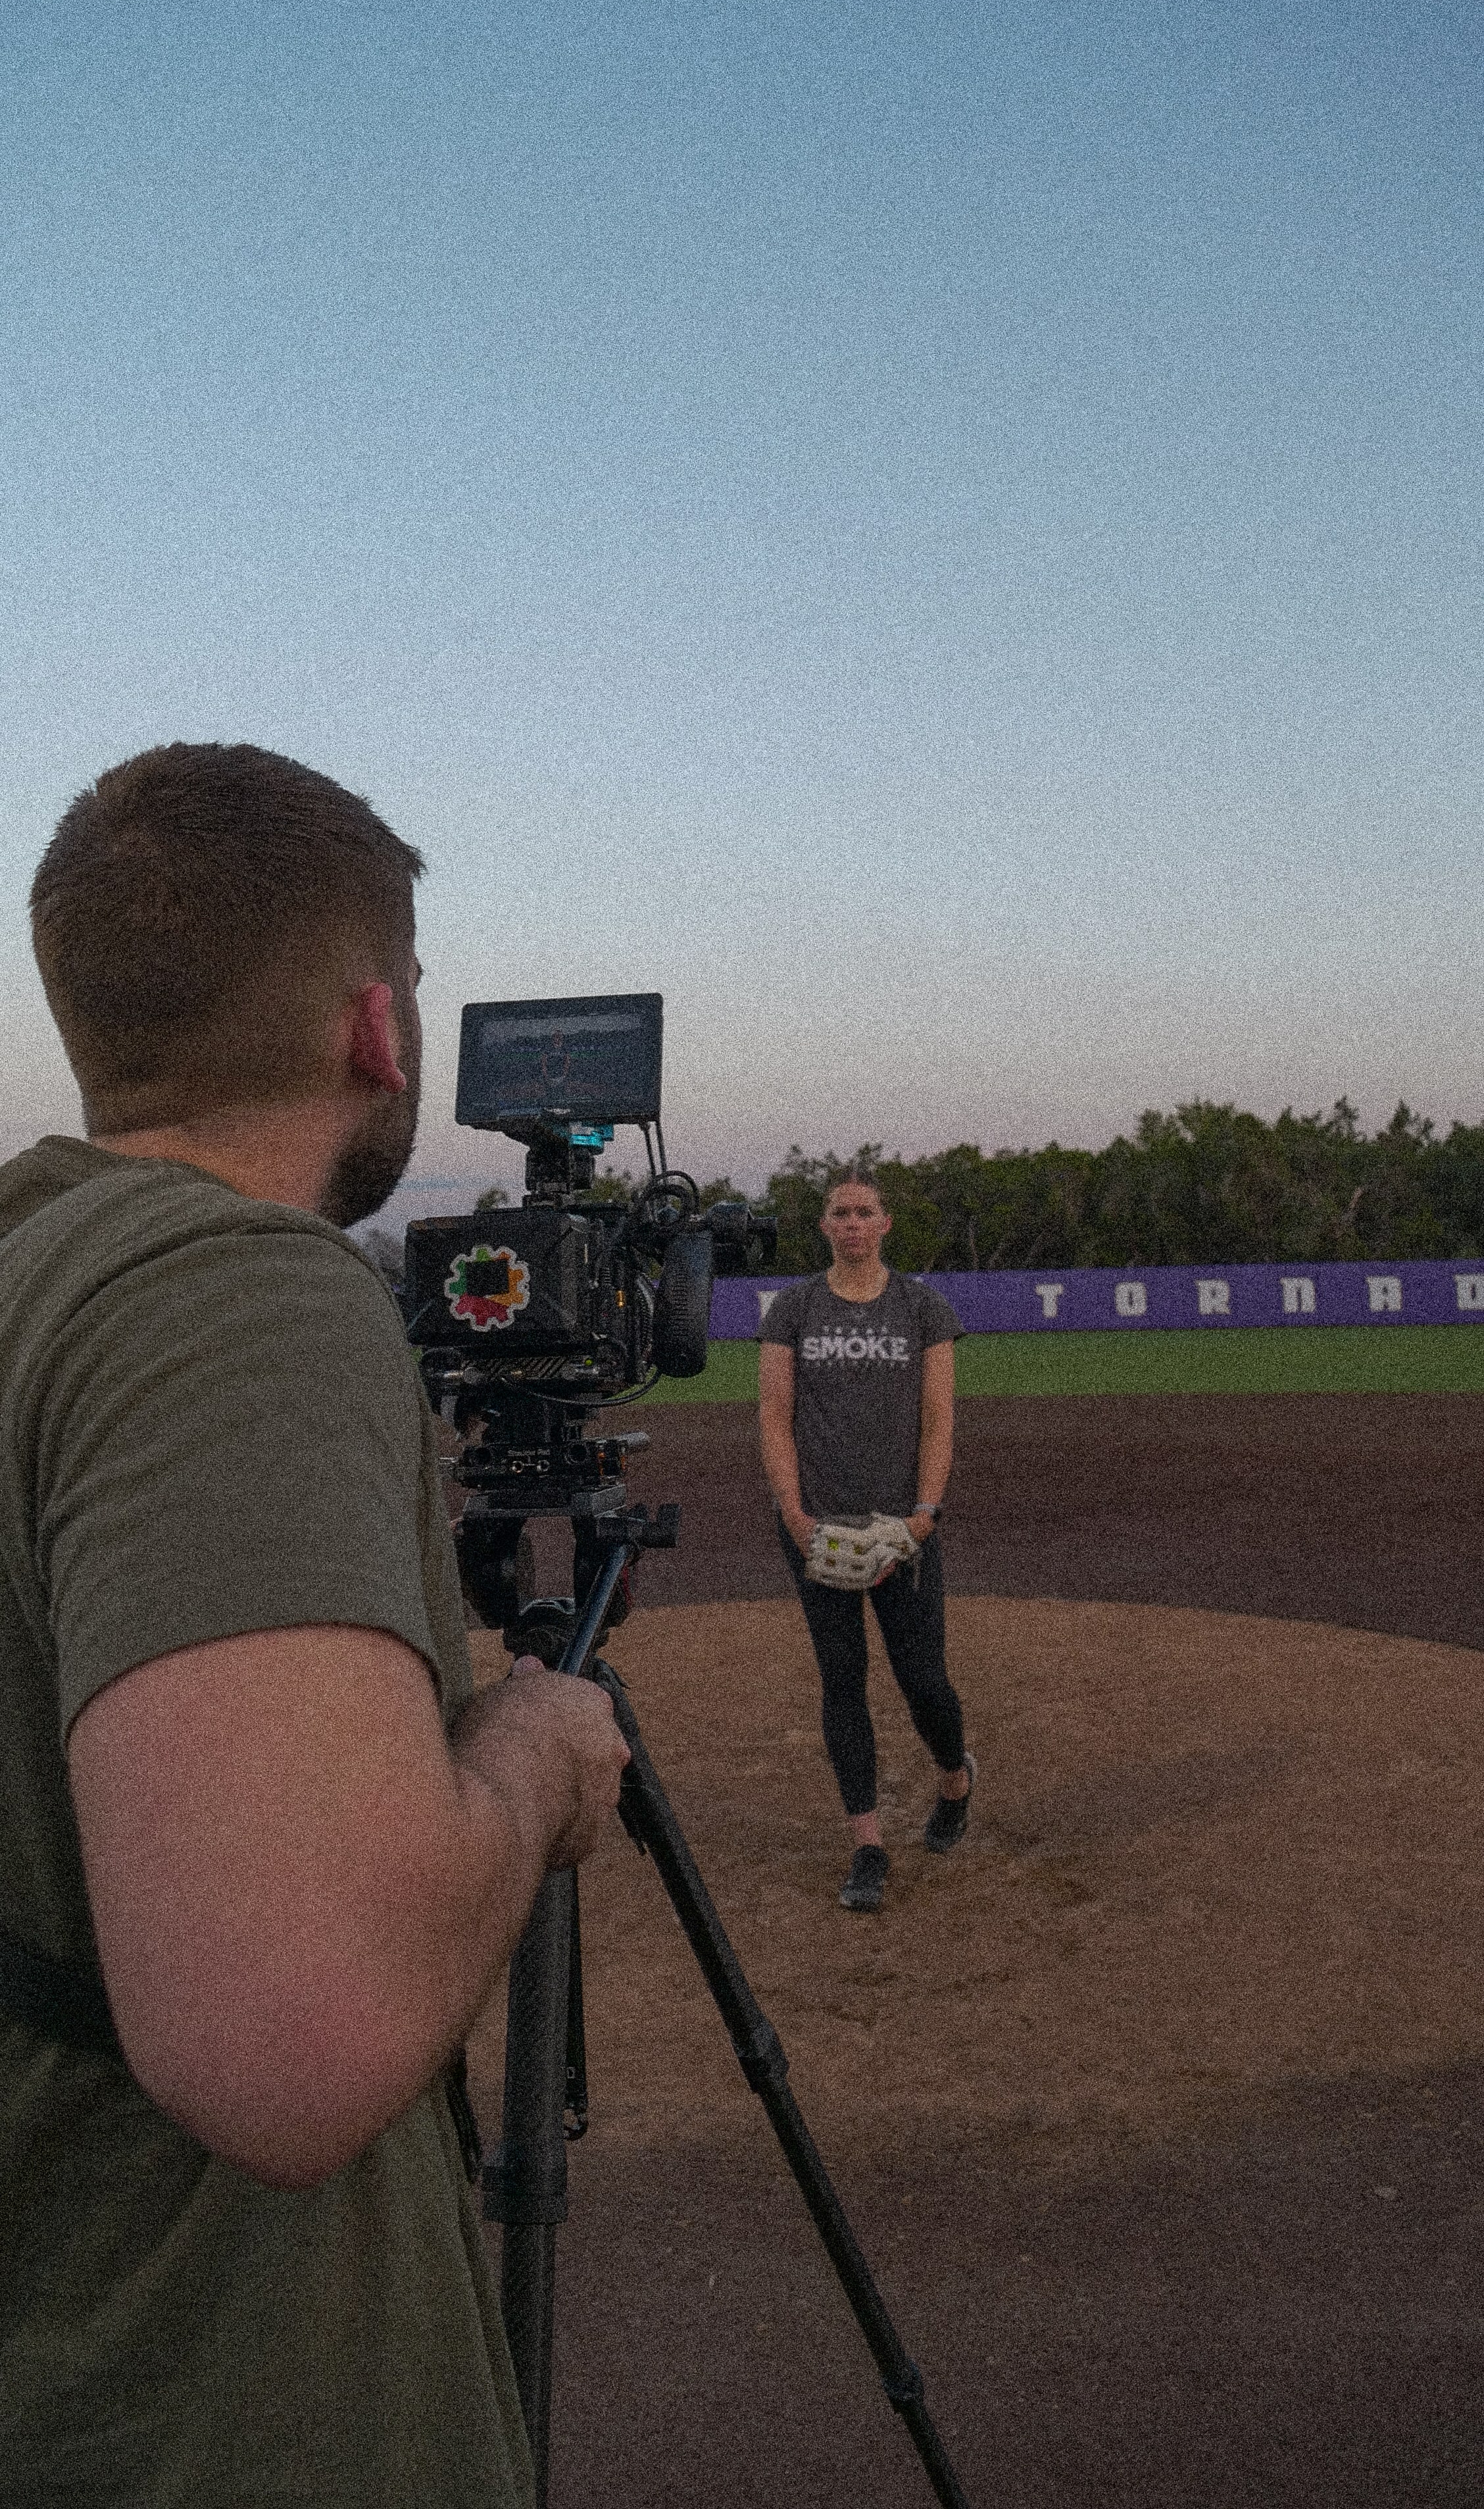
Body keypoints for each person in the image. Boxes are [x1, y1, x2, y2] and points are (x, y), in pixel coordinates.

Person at [0, 741, 630, 2507]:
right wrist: (529, 1756)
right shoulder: (232, 1289)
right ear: (376, 1027)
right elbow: (295, 2040)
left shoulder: (35, 1270)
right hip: (201, 2404)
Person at [758, 1167, 974, 1914]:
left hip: (902, 1529)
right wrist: (795, 1515)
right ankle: (868, 1844)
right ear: (824, 1226)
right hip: (819, 1527)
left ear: (884, 1224)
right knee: (842, 1676)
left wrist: (924, 1516)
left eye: (864, 1211)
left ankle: (955, 1779)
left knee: (923, 1679)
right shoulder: (795, 1308)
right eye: (840, 1212)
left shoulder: (922, 1307)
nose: (852, 1223)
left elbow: (938, 1420)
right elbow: (775, 1419)